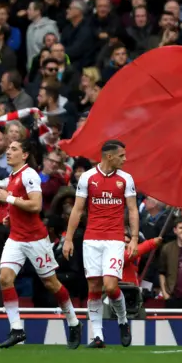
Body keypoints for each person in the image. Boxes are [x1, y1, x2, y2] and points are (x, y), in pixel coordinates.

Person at [0, 139, 81, 349]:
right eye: (8, 148)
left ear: (24, 155)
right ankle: (17, 329)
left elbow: (36, 205)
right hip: (16, 237)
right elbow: (20, 205)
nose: (8, 152)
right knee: (5, 278)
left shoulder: (29, 174)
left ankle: (73, 322)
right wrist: (10, 216)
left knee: (51, 284)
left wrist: (10, 200)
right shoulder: (13, 177)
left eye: (13, 149)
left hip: (35, 239)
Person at [63, 140, 139, 349]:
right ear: (109, 157)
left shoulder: (126, 179)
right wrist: (68, 239)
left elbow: (132, 210)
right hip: (92, 239)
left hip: (114, 239)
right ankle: (98, 337)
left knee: (110, 285)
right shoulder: (87, 178)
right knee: (94, 287)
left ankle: (123, 321)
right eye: (121, 155)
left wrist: (133, 238)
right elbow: (78, 210)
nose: (125, 159)